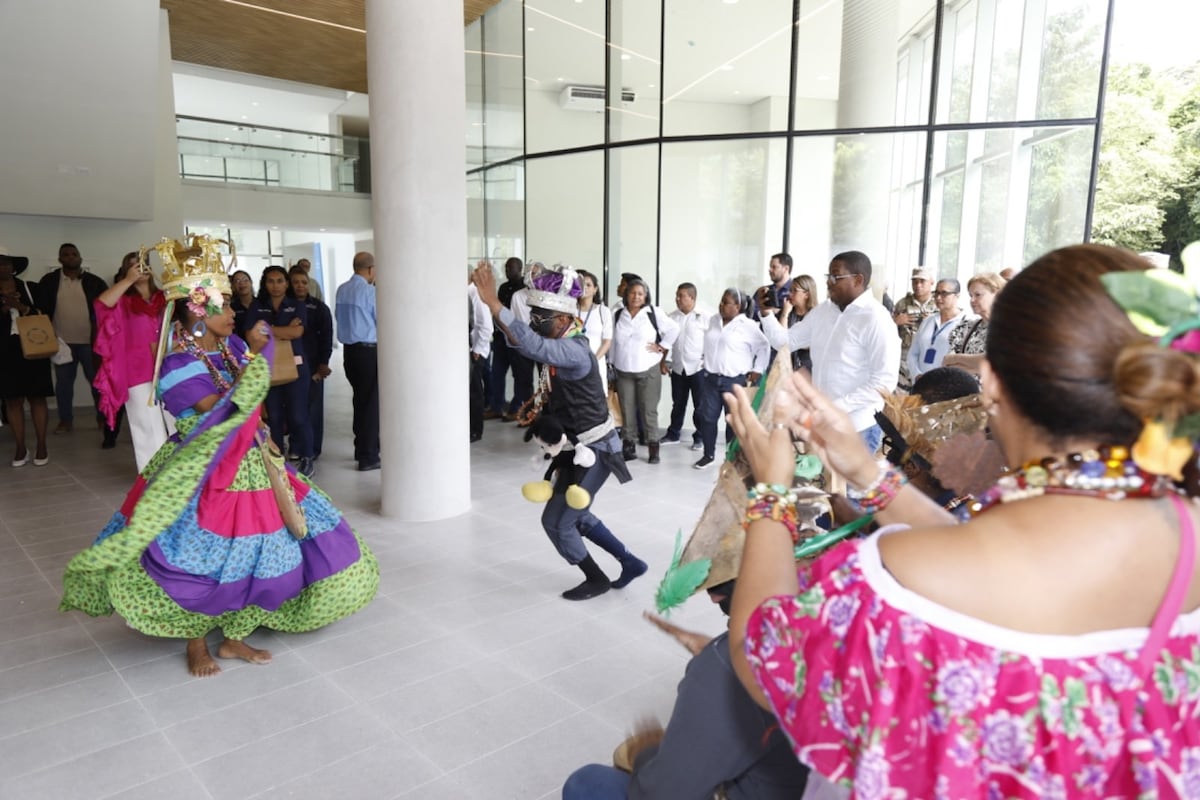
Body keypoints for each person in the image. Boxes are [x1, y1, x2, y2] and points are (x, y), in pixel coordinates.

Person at [726, 244, 1200, 797]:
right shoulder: (1182, 524)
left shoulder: (905, 578)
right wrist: (864, 467)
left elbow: (762, 659)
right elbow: (1000, 570)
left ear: (992, 384)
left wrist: (772, 493)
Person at [60, 234, 379, 678]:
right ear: (198, 308)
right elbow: (228, 409)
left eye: (230, 304)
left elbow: (255, 400)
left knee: (262, 554)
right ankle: (195, 642)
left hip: (253, 462)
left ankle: (232, 637)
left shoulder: (231, 350)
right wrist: (262, 355)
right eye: (224, 305)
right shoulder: (174, 364)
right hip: (203, 470)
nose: (233, 313)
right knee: (201, 559)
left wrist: (257, 358)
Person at [472, 260, 646, 601]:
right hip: (577, 448)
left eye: (541, 319)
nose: (535, 324)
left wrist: (494, 305)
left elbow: (533, 346)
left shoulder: (575, 349)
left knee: (557, 522)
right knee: (574, 516)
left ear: (565, 319)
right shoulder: (564, 344)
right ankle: (630, 561)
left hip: (596, 449)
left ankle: (595, 578)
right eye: (533, 318)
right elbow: (532, 347)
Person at [561, 582, 811, 800]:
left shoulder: (728, 668)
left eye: (722, 584)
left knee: (587, 784)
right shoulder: (829, 629)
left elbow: (664, 794)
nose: (713, 597)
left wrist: (646, 753)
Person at [759, 251, 899, 452]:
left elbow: (884, 382)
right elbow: (784, 341)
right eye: (828, 277)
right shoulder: (824, 311)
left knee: (851, 485)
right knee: (824, 483)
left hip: (857, 428)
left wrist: (836, 408)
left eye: (835, 277)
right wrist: (766, 314)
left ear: (858, 280)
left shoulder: (876, 318)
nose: (828, 282)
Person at [93, 251, 173, 470]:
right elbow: (101, 305)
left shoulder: (165, 298)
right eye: (133, 265)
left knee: (177, 419)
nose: (140, 268)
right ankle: (152, 476)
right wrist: (128, 280)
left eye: (144, 264)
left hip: (170, 367)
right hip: (137, 371)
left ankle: (181, 473)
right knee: (147, 425)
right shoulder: (123, 302)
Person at [39, 243, 112, 439]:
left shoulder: (94, 282)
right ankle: (65, 420)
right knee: (63, 384)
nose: (71, 257)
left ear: (80, 257)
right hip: (61, 343)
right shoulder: (49, 281)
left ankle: (102, 418)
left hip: (91, 342)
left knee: (97, 382)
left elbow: (106, 311)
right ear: (60, 259)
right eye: (66, 254)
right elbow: (41, 310)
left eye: (74, 254)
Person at [693, 289, 768, 470]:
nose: (721, 305)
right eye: (721, 301)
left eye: (726, 302)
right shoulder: (713, 320)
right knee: (708, 418)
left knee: (733, 421)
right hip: (711, 378)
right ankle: (708, 455)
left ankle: (732, 458)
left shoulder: (747, 325)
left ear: (737, 306)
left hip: (734, 381)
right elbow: (710, 344)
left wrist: (757, 369)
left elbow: (764, 346)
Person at [250, 265, 313, 477]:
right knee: (274, 417)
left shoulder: (296, 305)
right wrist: (282, 331)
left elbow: (297, 332)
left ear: (286, 283)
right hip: (268, 368)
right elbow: (251, 335)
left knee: (298, 415)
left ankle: (307, 456)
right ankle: (276, 459)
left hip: (296, 368)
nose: (275, 285)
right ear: (264, 284)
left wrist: (268, 330)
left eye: (280, 281)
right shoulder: (257, 306)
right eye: (270, 281)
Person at [610, 278, 679, 464]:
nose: (636, 297)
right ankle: (629, 445)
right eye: (632, 293)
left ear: (645, 296)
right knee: (626, 409)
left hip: (648, 370)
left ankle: (653, 447)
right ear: (626, 295)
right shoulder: (617, 314)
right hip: (623, 370)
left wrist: (662, 346)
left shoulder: (653, 313)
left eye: (640, 293)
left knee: (648, 410)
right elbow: (613, 342)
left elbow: (674, 329)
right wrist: (611, 364)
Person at [0, 248, 51, 467]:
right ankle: (20, 447)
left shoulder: (30, 288)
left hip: (33, 345)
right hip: (5, 349)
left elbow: (45, 312)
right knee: (12, 399)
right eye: (0, 264)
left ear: (14, 266)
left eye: (7, 263)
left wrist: (19, 306)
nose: (4, 267)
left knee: (37, 397)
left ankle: (41, 445)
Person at [335, 252, 379, 471]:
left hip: (349, 353)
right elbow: (382, 321)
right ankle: (369, 456)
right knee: (371, 404)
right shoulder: (370, 292)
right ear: (371, 269)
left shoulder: (342, 289)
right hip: (369, 353)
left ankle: (360, 446)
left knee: (360, 400)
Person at [289, 265, 333, 460]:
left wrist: (324, 362)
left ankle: (313, 449)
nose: (300, 286)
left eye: (304, 282)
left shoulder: (319, 308)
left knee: (313, 408)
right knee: (294, 408)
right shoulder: (285, 307)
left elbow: (326, 336)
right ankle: (296, 446)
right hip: (290, 365)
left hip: (314, 365)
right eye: (296, 282)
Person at [663, 282, 710, 449]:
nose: (678, 299)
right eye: (677, 295)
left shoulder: (704, 317)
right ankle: (673, 434)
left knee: (700, 405)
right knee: (678, 403)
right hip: (678, 368)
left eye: (681, 296)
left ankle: (700, 437)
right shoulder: (671, 317)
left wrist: (707, 363)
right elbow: (667, 343)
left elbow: (711, 342)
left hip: (698, 368)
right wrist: (665, 361)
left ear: (692, 298)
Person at [943, 272, 1007, 377]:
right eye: (970, 295)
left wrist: (956, 358)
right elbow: (948, 365)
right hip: (965, 391)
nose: (972, 300)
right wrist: (977, 365)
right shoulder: (964, 327)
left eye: (978, 295)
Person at [485, 257, 525, 421]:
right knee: (497, 373)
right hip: (501, 337)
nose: (508, 271)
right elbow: (497, 310)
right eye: (506, 268)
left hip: (516, 339)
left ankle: (516, 409)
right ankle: (497, 406)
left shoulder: (524, 289)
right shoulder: (503, 288)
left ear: (520, 269)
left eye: (511, 268)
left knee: (519, 375)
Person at [905, 278, 967, 382]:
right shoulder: (928, 321)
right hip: (921, 382)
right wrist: (916, 375)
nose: (938, 298)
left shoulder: (965, 323)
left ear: (957, 295)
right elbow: (913, 353)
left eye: (944, 293)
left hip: (946, 384)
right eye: (936, 293)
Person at [892, 267, 936, 389]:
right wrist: (895, 322)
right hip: (905, 356)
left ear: (931, 282)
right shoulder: (902, 304)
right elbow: (886, 331)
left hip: (930, 355)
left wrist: (934, 321)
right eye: (915, 282)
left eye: (922, 281)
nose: (918, 285)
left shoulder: (939, 303)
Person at [576, 269, 613, 392]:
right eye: (581, 284)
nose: (584, 288)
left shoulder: (603, 311)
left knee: (596, 401)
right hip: (574, 363)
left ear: (595, 289)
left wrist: (594, 361)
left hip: (596, 363)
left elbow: (607, 341)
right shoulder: (570, 310)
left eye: (588, 285)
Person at [467, 275, 493, 442]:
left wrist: (477, 350)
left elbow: (486, 327)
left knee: (475, 392)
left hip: (476, 351)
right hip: (467, 349)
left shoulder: (475, 294)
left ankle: (476, 430)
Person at [780, 274, 817, 372]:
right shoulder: (788, 312)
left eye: (794, 290)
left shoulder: (816, 314)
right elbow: (781, 338)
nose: (790, 294)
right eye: (790, 290)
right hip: (786, 367)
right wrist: (785, 313)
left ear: (807, 294)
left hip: (808, 369)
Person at [753, 252, 793, 323]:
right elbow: (751, 313)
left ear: (786, 269)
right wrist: (768, 312)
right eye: (770, 267)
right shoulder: (763, 291)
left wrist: (778, 312)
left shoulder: (795, 292)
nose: (770, 270)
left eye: (774, 267)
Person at [229, 269, 256, 337]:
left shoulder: (262, 304)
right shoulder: (231, 308)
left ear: (251, 282)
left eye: (245, 280)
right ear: (233, 286)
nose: (242, 283)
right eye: (237, 281)